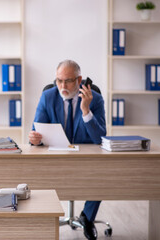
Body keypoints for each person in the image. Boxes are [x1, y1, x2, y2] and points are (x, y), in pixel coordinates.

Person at [29, 60, 106, 240]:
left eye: (68, 81)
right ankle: (44, 218)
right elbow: (36, 131)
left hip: (86, 157)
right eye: (59, 80)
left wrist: (85, 109)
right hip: (56, 156)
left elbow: (99, 138)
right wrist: (34, 139)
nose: (62, 86)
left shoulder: (95, 99)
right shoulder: (48, 96)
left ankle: (87, 217)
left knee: (103, 172)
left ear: (80, 80)